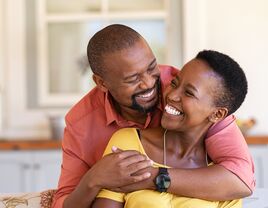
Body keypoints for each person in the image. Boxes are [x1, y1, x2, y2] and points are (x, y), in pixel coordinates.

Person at [52, 24, 254, 208]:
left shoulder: (182, 87)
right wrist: (94, 178)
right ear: (102, 84)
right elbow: (64, 202)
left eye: (151, 68)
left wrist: (151, 177)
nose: (149, 83)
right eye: (133, 79)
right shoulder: (82, 124)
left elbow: (241, 178)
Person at [92, 50, 247, 208]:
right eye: (174, 83)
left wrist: (151, 178)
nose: (172, 95)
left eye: (189, 93)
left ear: (217, 114)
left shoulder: (225, 182)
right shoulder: (130, 143)